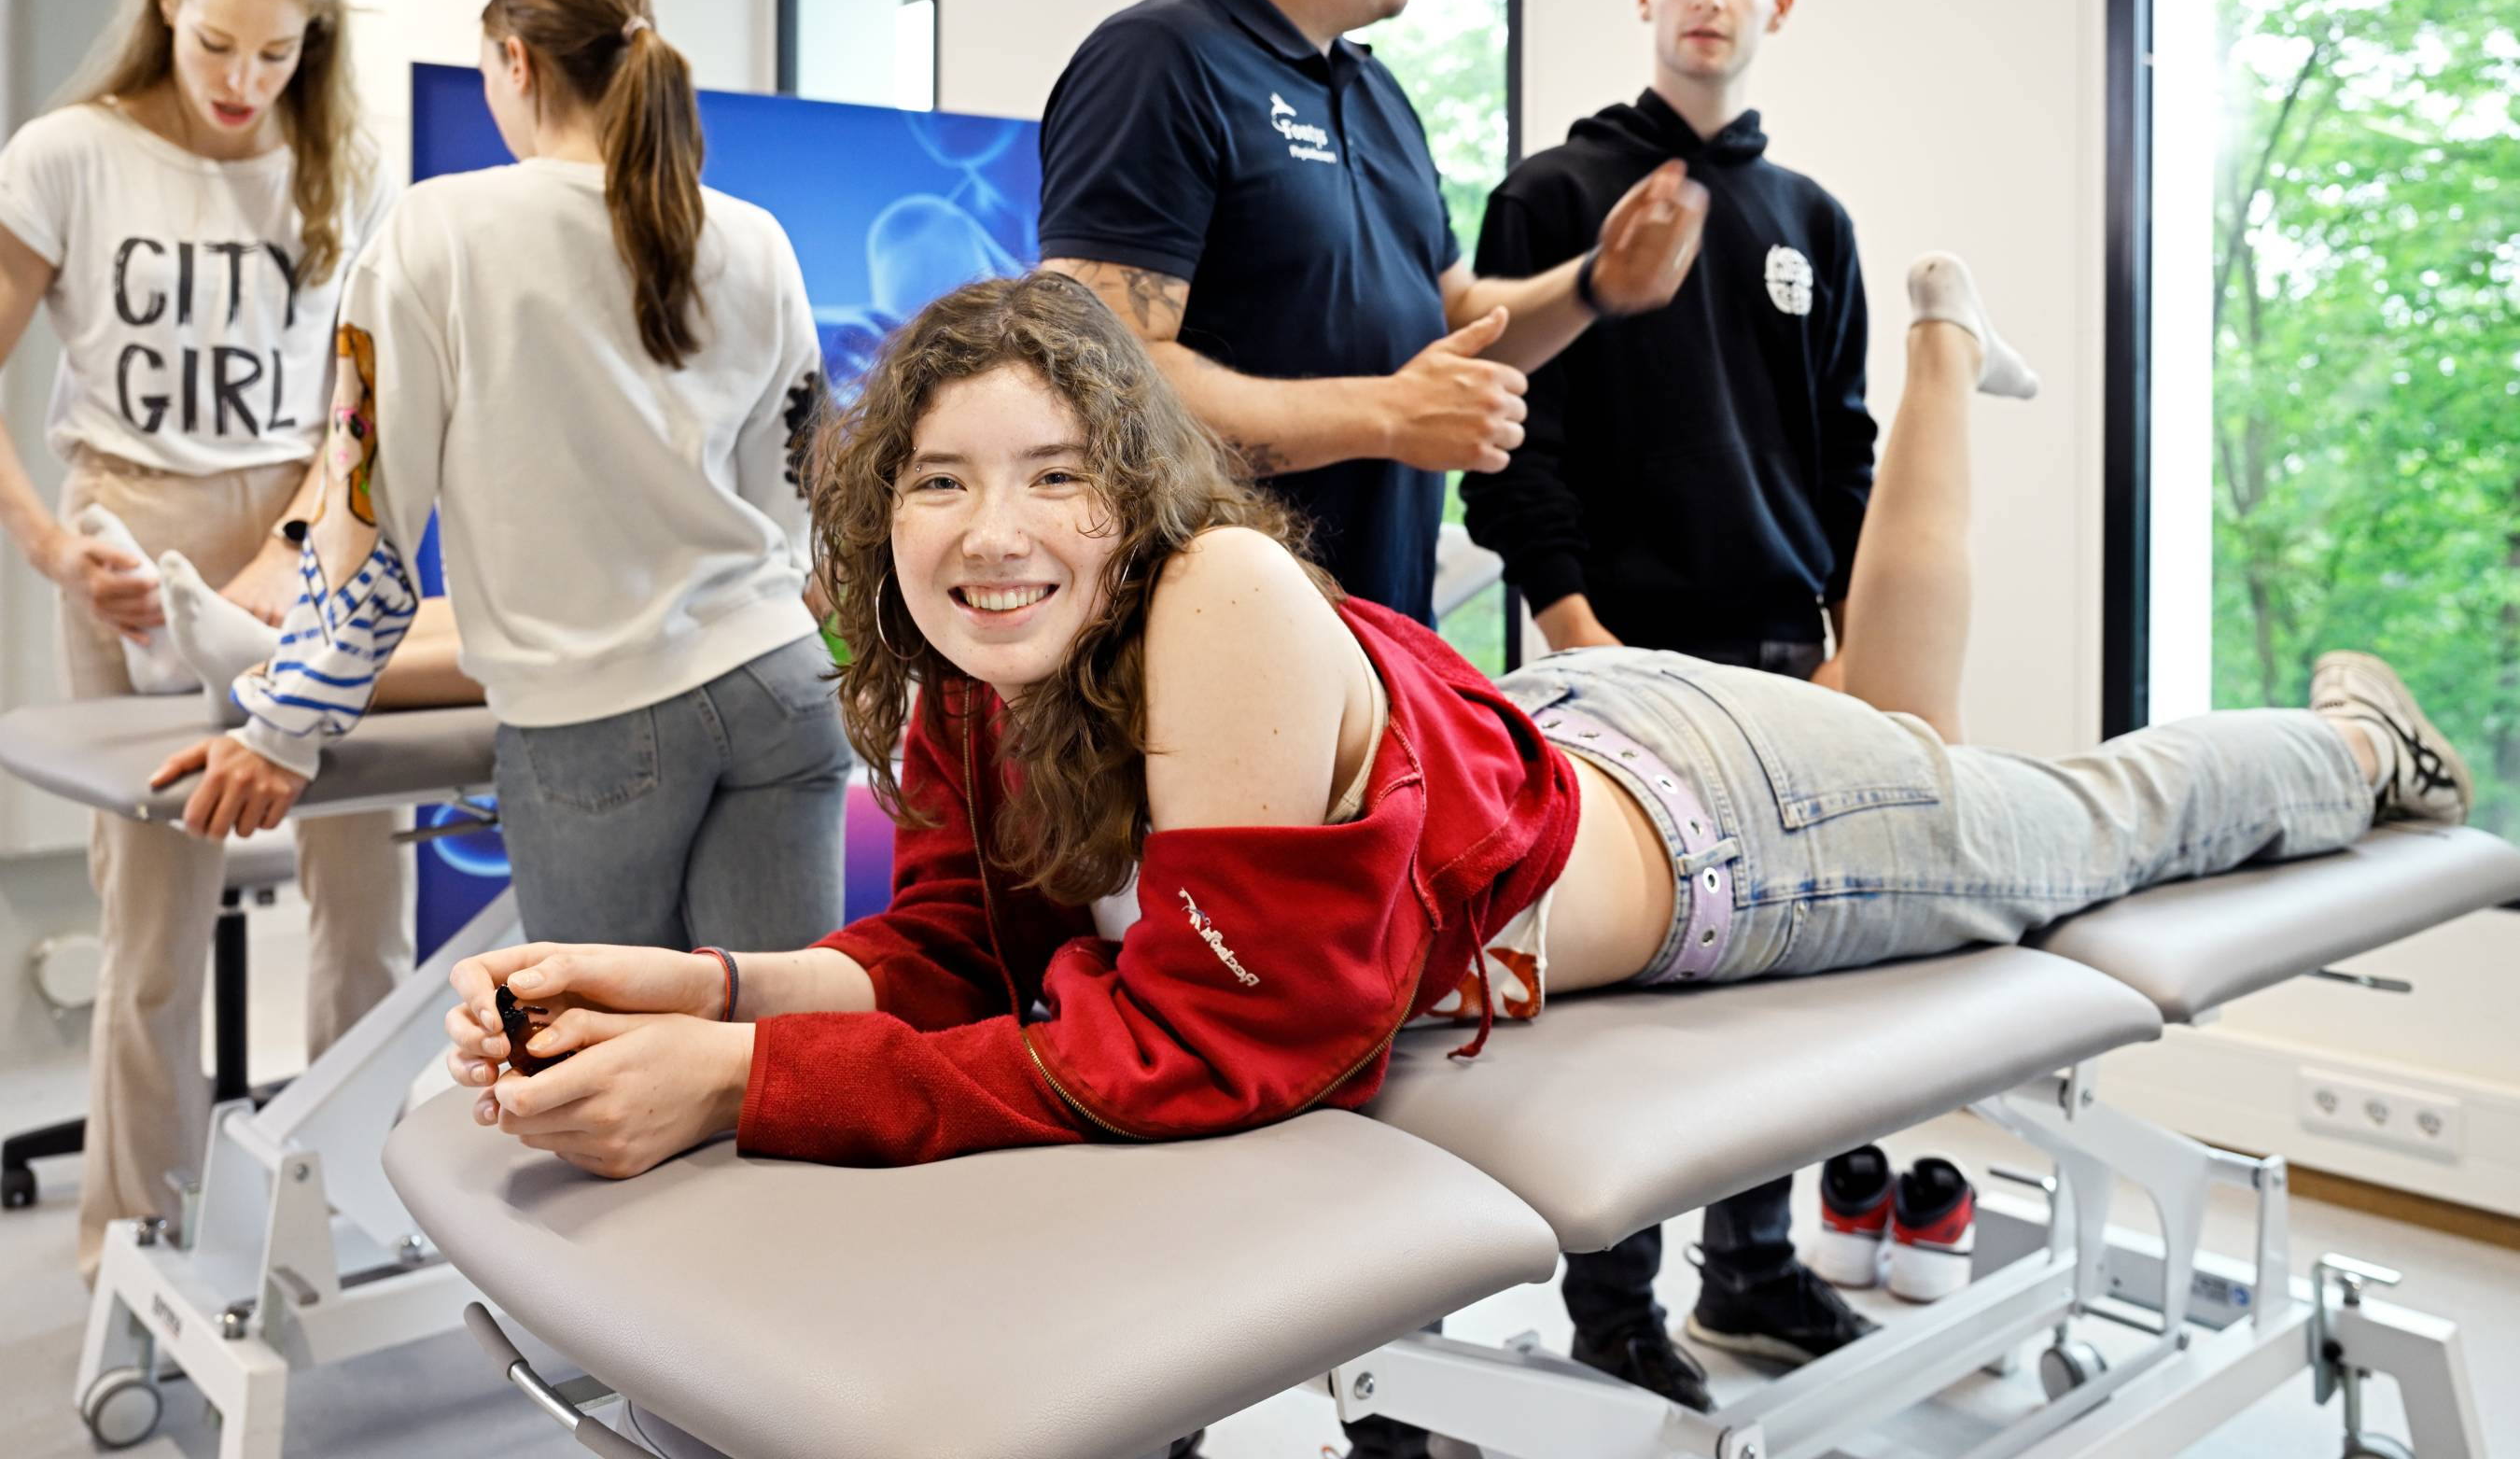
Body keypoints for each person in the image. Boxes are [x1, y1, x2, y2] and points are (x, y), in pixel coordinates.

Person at [438, 271, 2469, 1237]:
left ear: (1128, 499)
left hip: (1714, 829)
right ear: (879, 507)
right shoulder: (976, 673)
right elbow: (963, 958)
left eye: (1053, 476)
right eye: (941, 485)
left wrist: (748, 1079)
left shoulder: (1214, 598)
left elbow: (1226, 1051)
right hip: (1544, 745)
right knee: (1931, 740)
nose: (989, 533)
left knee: (2073, 822)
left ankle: (2352, 741)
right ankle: (1946, 357)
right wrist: (702, 990)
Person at [1460, 0, 2038, 1389]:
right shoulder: (1555, 198)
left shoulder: (1810, 222)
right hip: (1612, 662)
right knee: (1632, 1021)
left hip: (1791, 655)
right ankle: (1614, 1309)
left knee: (1781, 1002)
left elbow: (1848, 455)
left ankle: (1756, 1271)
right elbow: (1518, 440)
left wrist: (1850, 632)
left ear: (1776, 6)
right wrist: (1570, 621)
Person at [151, 0, 846, 958]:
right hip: (783, 690)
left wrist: (283, 734)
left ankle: (253, 668)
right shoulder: (755, 238)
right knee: (777, 1063)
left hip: (598, 724)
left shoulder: (437, 230)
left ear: (516, 64)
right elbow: (795, 505)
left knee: (602, 1076)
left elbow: (367, 520)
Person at [1036, 0, 1708, 626]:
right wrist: (1386, 415)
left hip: (1381, 656)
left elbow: (1457, 323)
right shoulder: (1154, 64)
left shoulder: (1377, 95)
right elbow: (1102, 385)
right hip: (1213, 662)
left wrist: (1596, 284)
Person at [0, 0, 418, 1280]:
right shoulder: (67, 153)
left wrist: (301, 544)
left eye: (277, 52)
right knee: (156, 923)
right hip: (134, 521)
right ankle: (135, 1230)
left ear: (318, 43)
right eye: (218, 43)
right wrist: (61, 553)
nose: (243, 79)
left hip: (308, 526)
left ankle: (354, 1201)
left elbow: (361, 408)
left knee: (365, 903)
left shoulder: (338, 165)